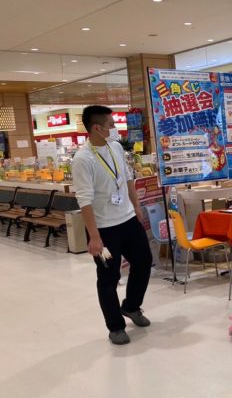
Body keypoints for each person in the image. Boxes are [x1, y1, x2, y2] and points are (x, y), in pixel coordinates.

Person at [72, 105, 153, 345]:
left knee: (144, 262)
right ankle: (115, 327)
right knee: (109, 278)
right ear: (97, 128)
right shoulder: (83, 160)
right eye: (111, 125)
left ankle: (131, 306)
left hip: (128, 219)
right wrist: (94, 236)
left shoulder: (115, 147)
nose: (115, 128)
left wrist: (136, 207)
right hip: (104, 229)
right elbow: (84, 200)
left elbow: (127, 178)